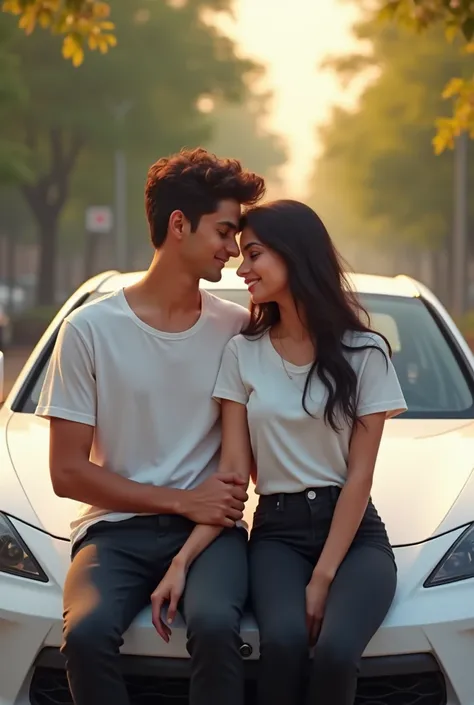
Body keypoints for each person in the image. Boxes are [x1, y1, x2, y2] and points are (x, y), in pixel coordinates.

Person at [34, 148, 266, 705]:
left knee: (214, 628)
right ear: (179, 225)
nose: (233, 250)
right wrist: (180, 500)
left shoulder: (237, 329)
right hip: (114, 532)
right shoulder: (88, 330)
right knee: (87, 636)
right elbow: (66, 472)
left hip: (212, 537)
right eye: (224, 231)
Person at [154, 199, 407, 705]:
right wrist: (182, 560)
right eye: (241, 254)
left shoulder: (366, 352)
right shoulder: (242, 353)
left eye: (254, 254)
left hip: (355, 537)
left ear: (295, 255)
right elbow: (231, 475)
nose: (241, 268)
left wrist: (324, 577)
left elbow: (359, 476)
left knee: (335, 652)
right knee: (285, 643)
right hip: (277, 536)